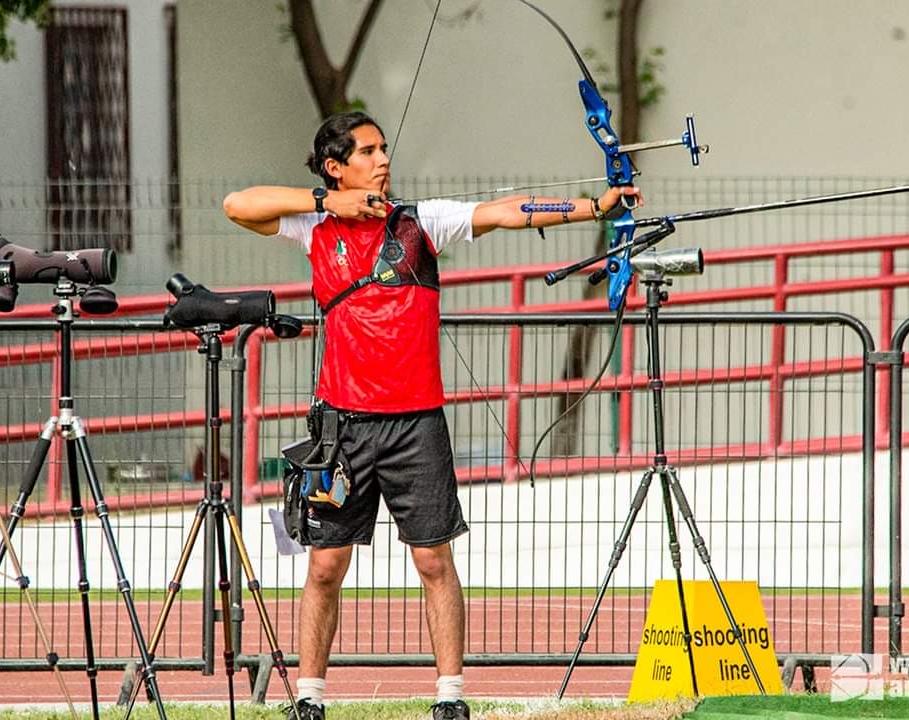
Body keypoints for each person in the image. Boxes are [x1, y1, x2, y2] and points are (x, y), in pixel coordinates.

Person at [223, 111, 640, 720]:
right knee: (325, 566)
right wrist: (330, 201)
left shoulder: (420, 222)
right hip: (343, 425)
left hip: (416, 421)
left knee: (433, 560)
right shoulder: (313, 224)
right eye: (368, 151)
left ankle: (450, 698)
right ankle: (309, 698)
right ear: (338, 166)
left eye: (384, 148)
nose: (384, 158)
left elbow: (506, 210)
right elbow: (238, 204)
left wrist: (594, 208)